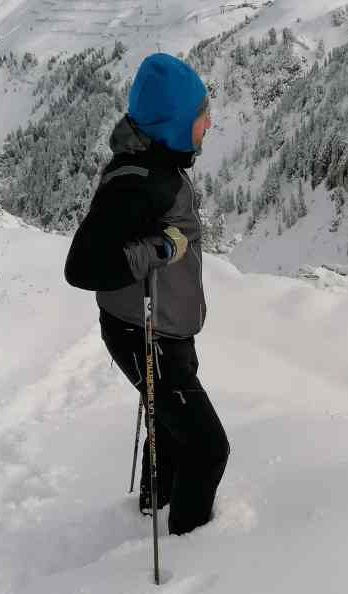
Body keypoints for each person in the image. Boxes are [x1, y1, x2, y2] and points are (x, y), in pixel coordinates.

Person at [64, 53, 229, 536]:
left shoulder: (157, 163)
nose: (210, 123)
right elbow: (83, 267)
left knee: (171, 426)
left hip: (160, 327)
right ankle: (191, 549)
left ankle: (152, 510)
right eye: (202, 116)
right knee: (206, 448)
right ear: (176, 125)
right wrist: (160, 248)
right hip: (144, 332)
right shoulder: (140, 183)